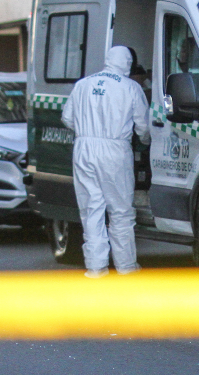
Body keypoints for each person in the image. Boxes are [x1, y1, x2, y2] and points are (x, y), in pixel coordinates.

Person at [61, 46, 150, 278]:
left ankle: (95, 267)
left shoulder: (82, 84)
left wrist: (87, 131)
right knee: (120, 211)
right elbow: (143, 127)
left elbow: (67, 118)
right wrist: (145, 140)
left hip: (84, 148)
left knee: (91, 210)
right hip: (115, 150)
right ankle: (126, 267)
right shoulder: (131, 87)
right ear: (128, 63)